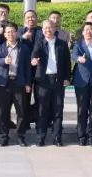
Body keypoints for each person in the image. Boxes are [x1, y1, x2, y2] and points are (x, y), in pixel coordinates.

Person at [31, 19, 71, 147]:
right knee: (42, 110)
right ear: (42, 30)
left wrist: (67, 77)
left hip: (58, 80)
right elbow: (34, 54)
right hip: (43, 81)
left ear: (54, 28)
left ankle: (57, 137)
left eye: (50, 27)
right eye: (45, 28)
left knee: (58, 110)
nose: (48, 30)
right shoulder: (39, 43)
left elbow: (67, 62)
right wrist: (33, 60)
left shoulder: (62, 44)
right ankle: (40, 137)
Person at [0, 22, 31, 147]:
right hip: (4, 84)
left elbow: (27, 68)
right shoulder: (0, 48)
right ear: (5, 34)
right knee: (3, 111)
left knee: (21, 111)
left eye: (13, 31)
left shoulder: (24, 48)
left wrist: (28, 83)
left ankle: (20, 136)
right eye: (8, 32)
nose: (10, 34)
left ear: (17, 33)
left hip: (19, 83)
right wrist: (3, 60)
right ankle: (4, 136)